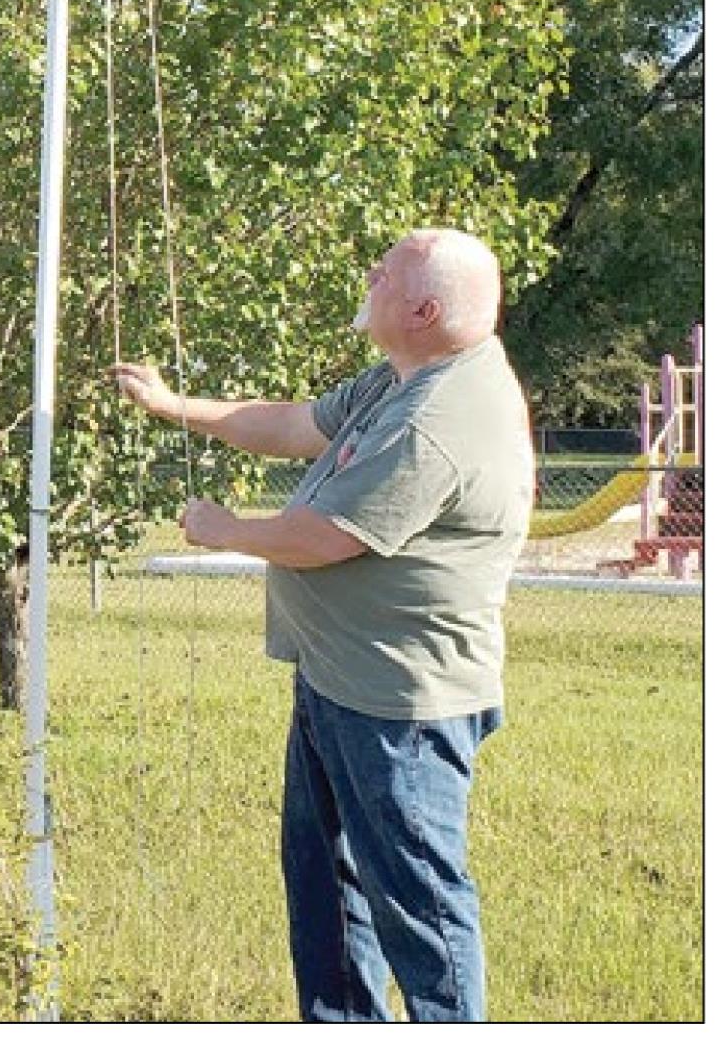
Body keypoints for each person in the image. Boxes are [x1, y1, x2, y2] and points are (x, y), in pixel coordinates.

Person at [112, 228, 533, 1022]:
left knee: (419, 904)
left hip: (401, 706)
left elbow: (322, 539)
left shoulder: (435, 418)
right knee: (328, 889)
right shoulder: (401, 379)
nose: (368, 275)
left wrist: (224, 528)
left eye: (385, 273)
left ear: (423, 308)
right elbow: (292, 424)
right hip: (340, 682)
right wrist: (174, 407)